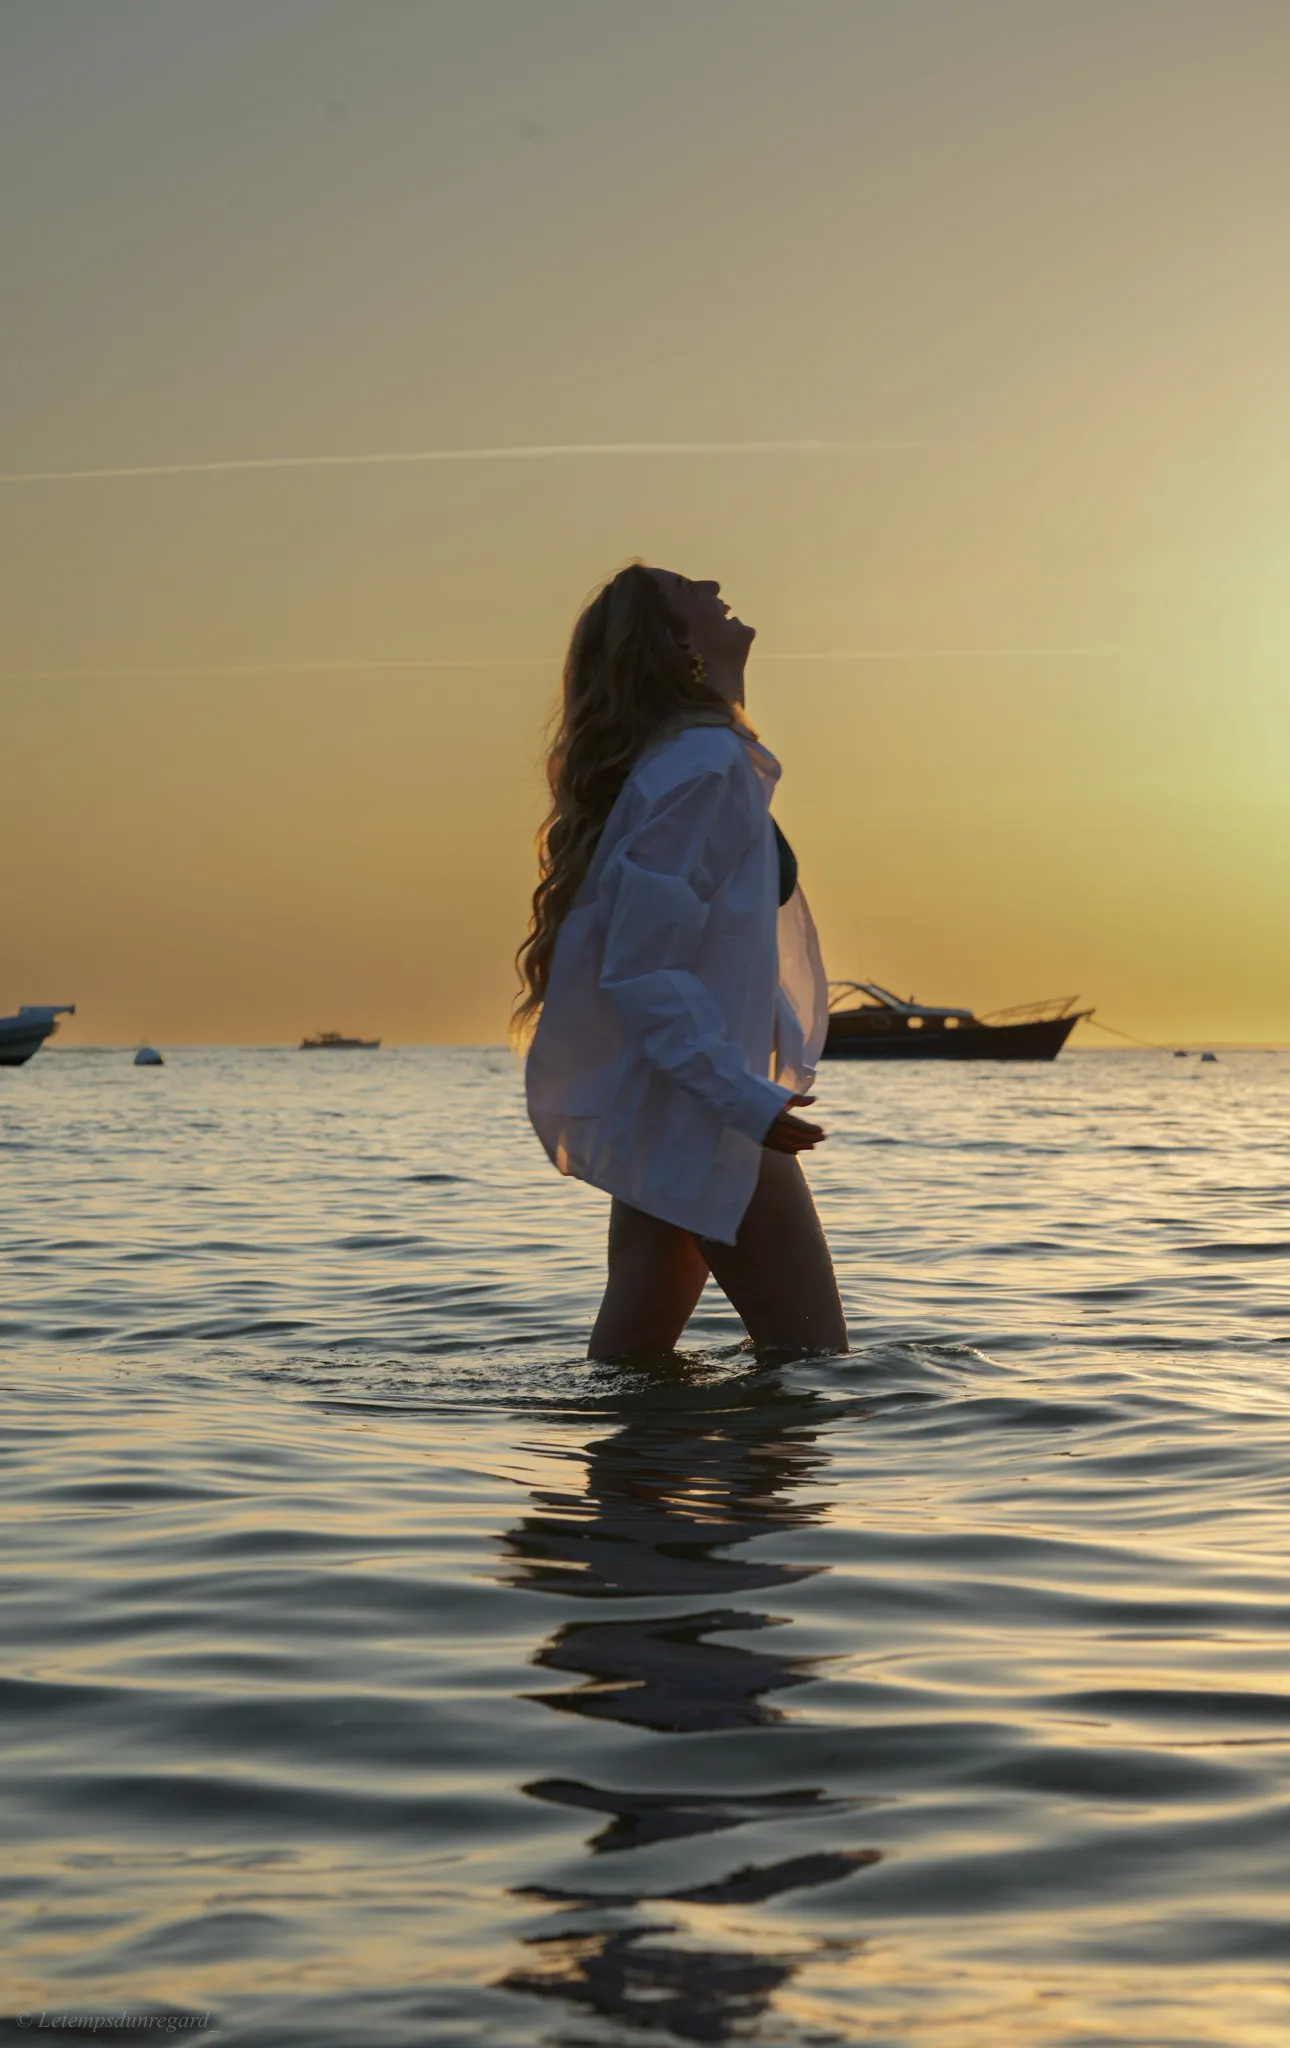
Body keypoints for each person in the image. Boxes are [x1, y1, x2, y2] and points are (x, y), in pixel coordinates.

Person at [517, 561, 848, 1359]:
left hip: (678, 1098)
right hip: (707, 1110)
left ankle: (626, 1480)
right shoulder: (704, 767)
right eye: (683, 588)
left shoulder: (691, 760)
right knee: (809, 1366)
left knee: (633, 1359)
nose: (708, 582)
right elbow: (642, 965)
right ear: (673, 642)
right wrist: (742, 1097)